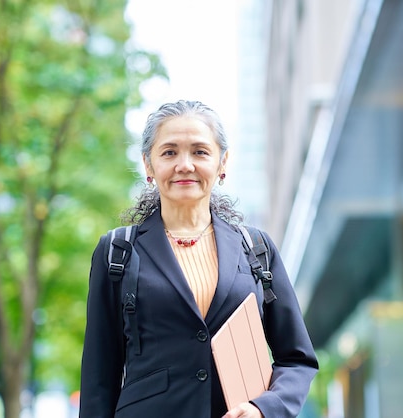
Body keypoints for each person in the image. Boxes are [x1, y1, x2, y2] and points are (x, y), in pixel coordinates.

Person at [79, 100, 318, 418]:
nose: (185, 165)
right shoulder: (117, 252)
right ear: (148, 165)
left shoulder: (256, 249)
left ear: (223, 163)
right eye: (169, 152)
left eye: (200, 151)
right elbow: (99, 377)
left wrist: (264, 408)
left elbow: (297, 358)